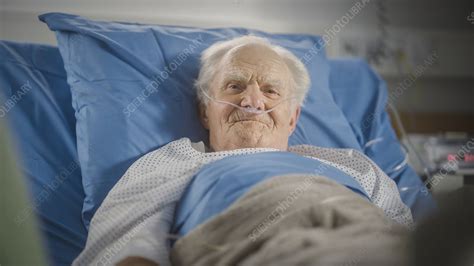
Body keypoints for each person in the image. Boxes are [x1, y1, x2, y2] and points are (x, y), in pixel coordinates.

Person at [73, 36, 413, 266]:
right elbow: (128, 240)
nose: (252, 101)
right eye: (234, 86)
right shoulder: (176, 160)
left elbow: (409, 238)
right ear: (205, 111)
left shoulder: (352, 164)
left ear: (293, 117)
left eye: (270, 90)